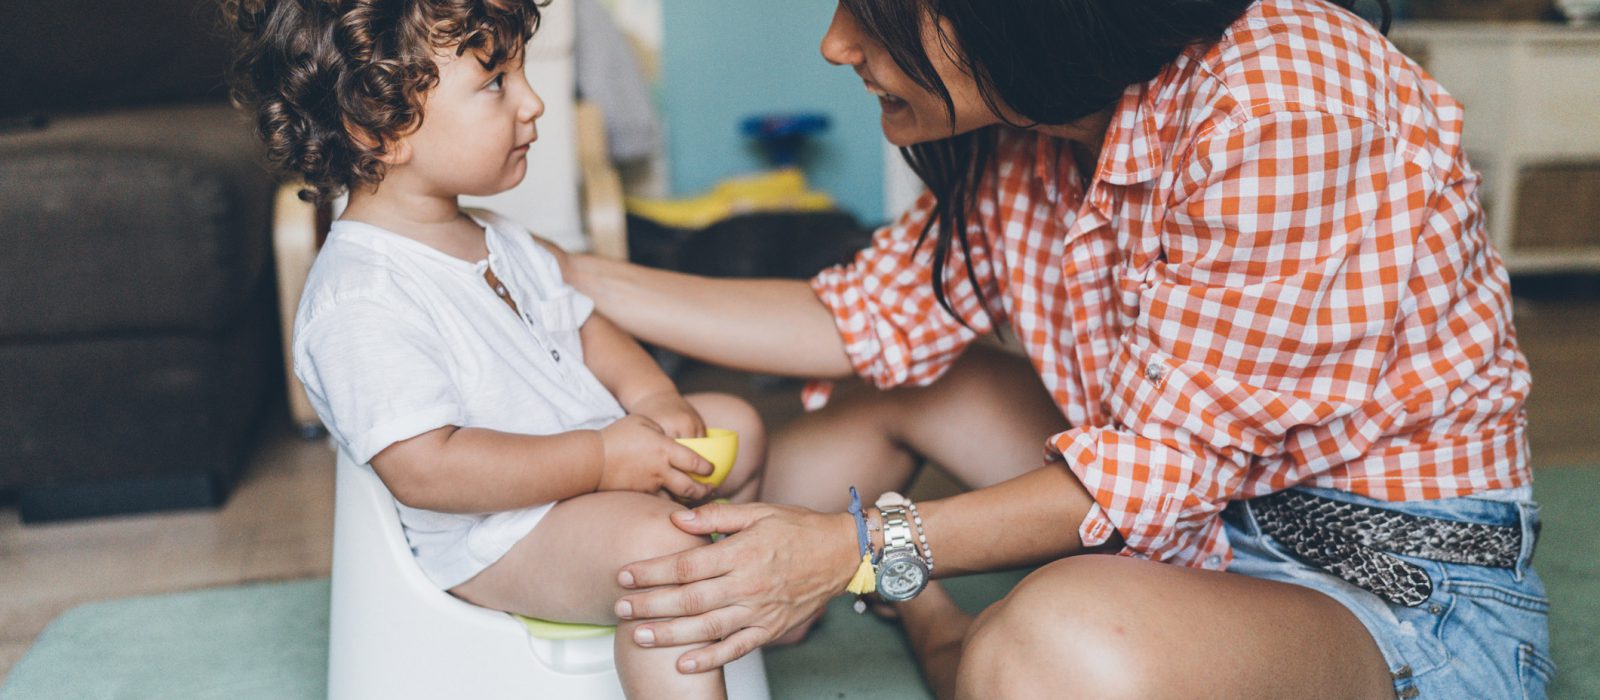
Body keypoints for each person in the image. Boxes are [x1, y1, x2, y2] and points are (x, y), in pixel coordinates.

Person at [562, 0, 1553, 698]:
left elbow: (1161, 473)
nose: (833, 42)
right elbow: (858, 318)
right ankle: (694, 564)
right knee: (909, 386)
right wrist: (563, 276)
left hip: (1391, 592)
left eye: (876, 6)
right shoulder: (1033, 131)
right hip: (1201, 519)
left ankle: (933, 622)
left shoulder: (1282, 96)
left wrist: (858, 556)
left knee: (1052, 643)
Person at [226, 1, 766, 697]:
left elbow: (587, 328)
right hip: (499, 536)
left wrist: (653, 399)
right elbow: (428, 470)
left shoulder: (497, 236)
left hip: (590, 467)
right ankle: (688, 641)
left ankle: (750, 621)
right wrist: (602, 460)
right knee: (667, 554)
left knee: (740, 427)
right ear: (379, 127)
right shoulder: (361, 297)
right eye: (496, 82)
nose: (534, 102)